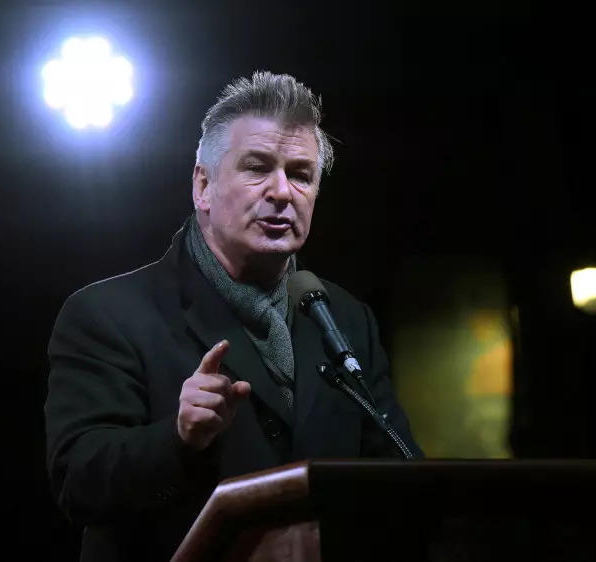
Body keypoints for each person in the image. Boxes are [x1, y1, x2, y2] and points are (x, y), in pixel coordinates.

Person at [44, 71, 422, 562]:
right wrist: (178, 439)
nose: (282, 191)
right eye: (257, 168)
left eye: (301, 174)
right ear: (203, 185)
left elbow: (400, 473)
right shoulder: (107, 315)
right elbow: (79, 484)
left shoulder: (346, 319)